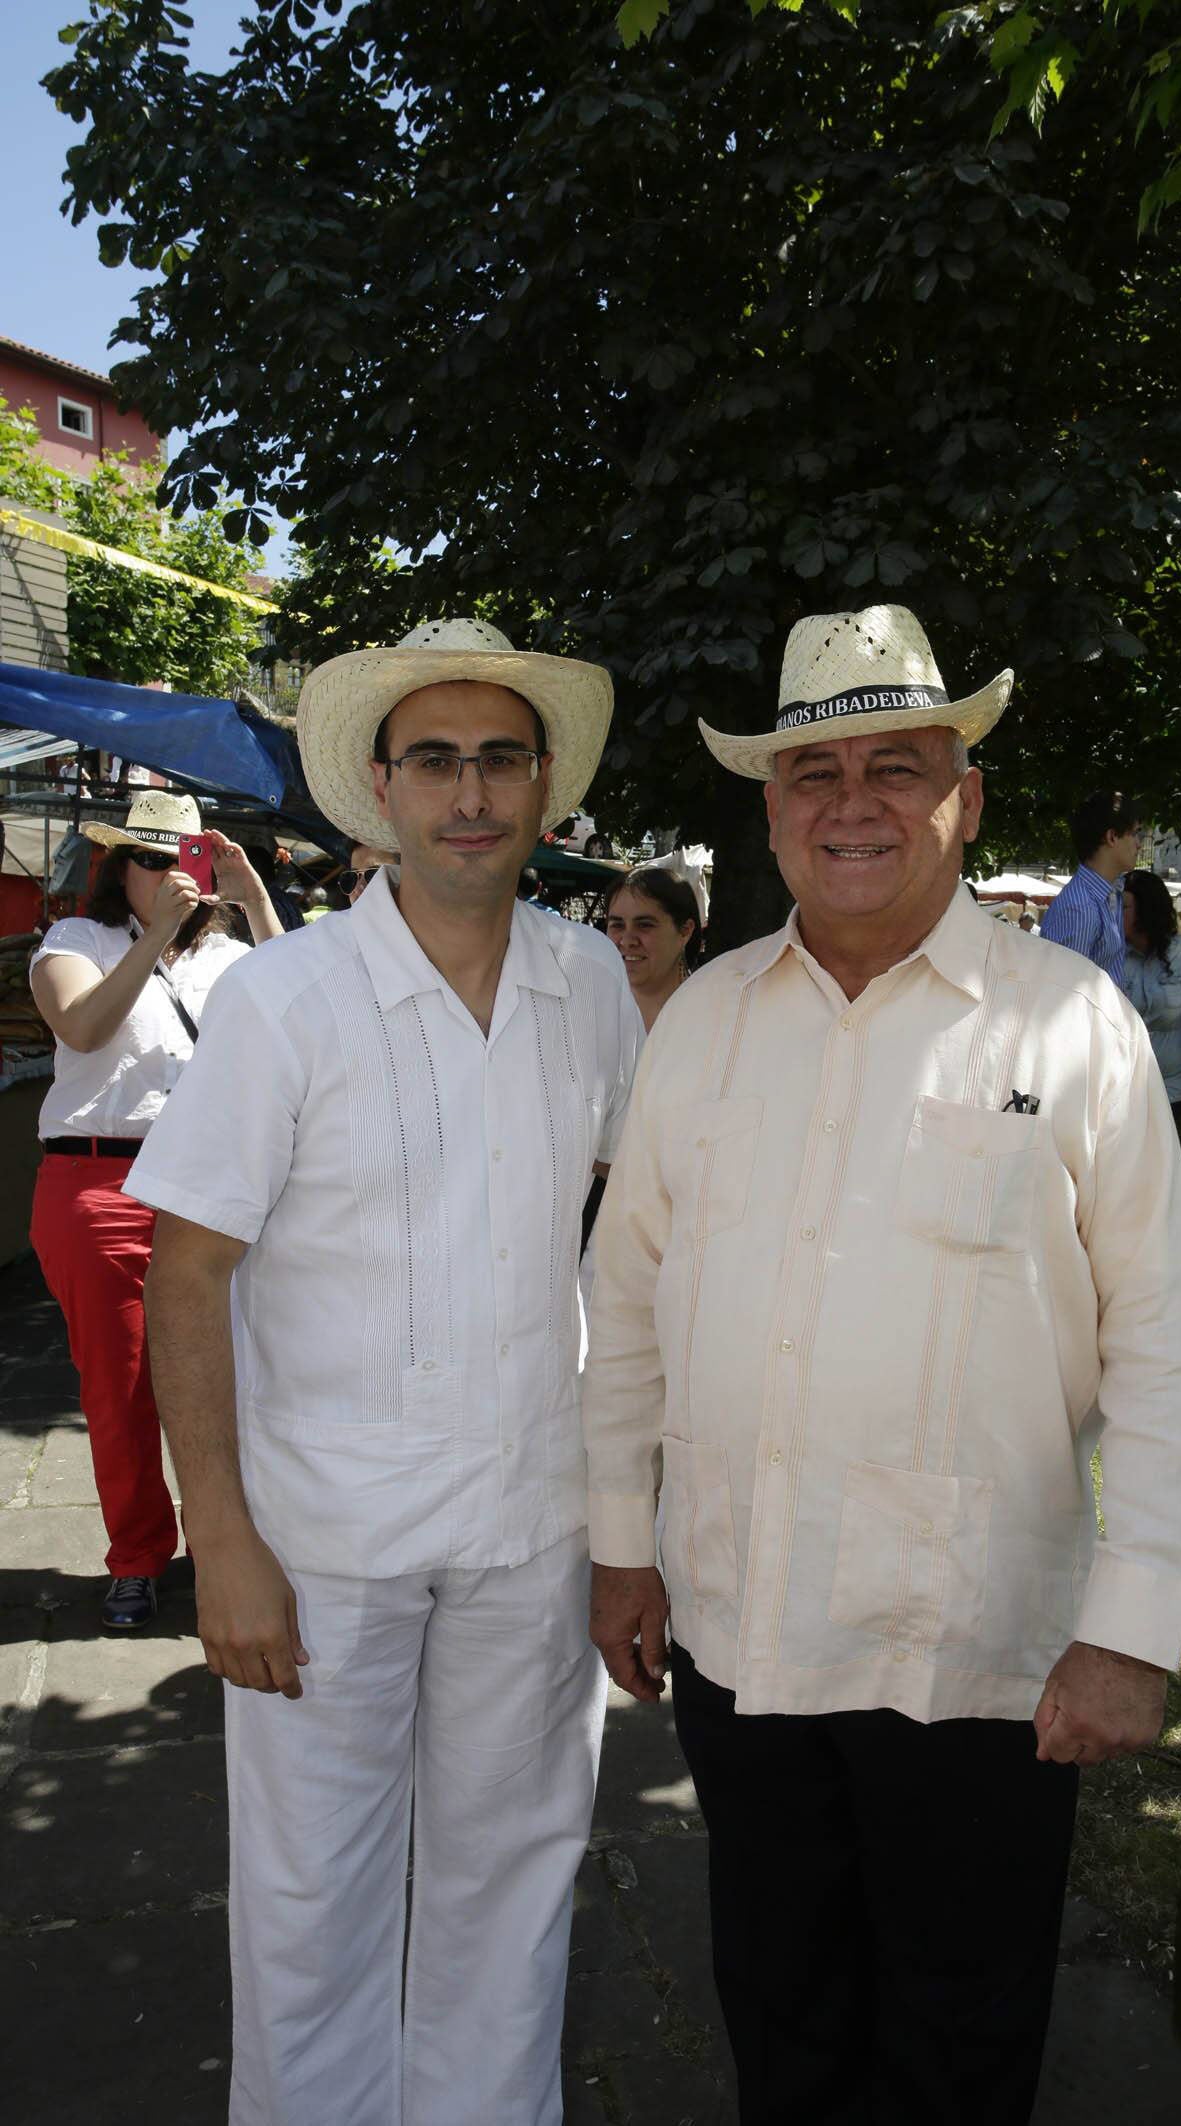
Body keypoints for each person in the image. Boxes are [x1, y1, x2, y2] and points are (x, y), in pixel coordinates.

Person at [581, 604, 1181, 2126]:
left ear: (966, 797)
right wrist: (620, 1549)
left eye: (898, 764)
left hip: (979, 1651)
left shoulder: (1072, 1023)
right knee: (780, 2004)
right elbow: (629, 1301)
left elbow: (1165, 1344)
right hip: (746, 1626)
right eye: (815, 768)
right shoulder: (703, 1020)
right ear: (772, 806)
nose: (852, 800)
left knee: (963, 2031)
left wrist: (1129, 1626)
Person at [126, 616, 641, 2126]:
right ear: (381, 787)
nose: (469, 793)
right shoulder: (284, 1002)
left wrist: (626, 1515)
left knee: (512, 1881)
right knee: (311, 1904)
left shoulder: (591, 986)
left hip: (530, 1522)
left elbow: (624, 1244)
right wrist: (218, 1536)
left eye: (499, 758)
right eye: (437, 760)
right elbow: (189, 1272)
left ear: (544, 785)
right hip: (320, 1536)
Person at [27, 792, 283, 1631]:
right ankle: (136, 1555)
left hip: (215, 1188)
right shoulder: (77, 943)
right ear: (117, 867)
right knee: (123, 1387)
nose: (167, 875)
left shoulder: (231, 957)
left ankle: (227, 1545)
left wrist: (254, 900)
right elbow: (84, 1026)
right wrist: (153, 942)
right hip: (102, 1188)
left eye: (181, 860)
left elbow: (311, 1014)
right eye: (147, 859)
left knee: (239, 1376)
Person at [1121, 868, 1181, 1118]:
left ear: (1146, 910)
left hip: (1173, 1081)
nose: (1116, 913)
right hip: (1122, 1079)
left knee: (1166, 1154)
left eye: (1124, 907)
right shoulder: (1111, 954)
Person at [1038, 789, 1144, 981]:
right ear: (1112, 837)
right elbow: (1065, 995)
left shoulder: (1111, 894)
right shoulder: (1080, 908)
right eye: (1135, 833)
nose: (1140, 844)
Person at [605, 865, 704, 1033]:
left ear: (685, 930)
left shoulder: (713, 1015)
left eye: (644, 925)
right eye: (617, 925)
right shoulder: (590, 1011)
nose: (627, 940)